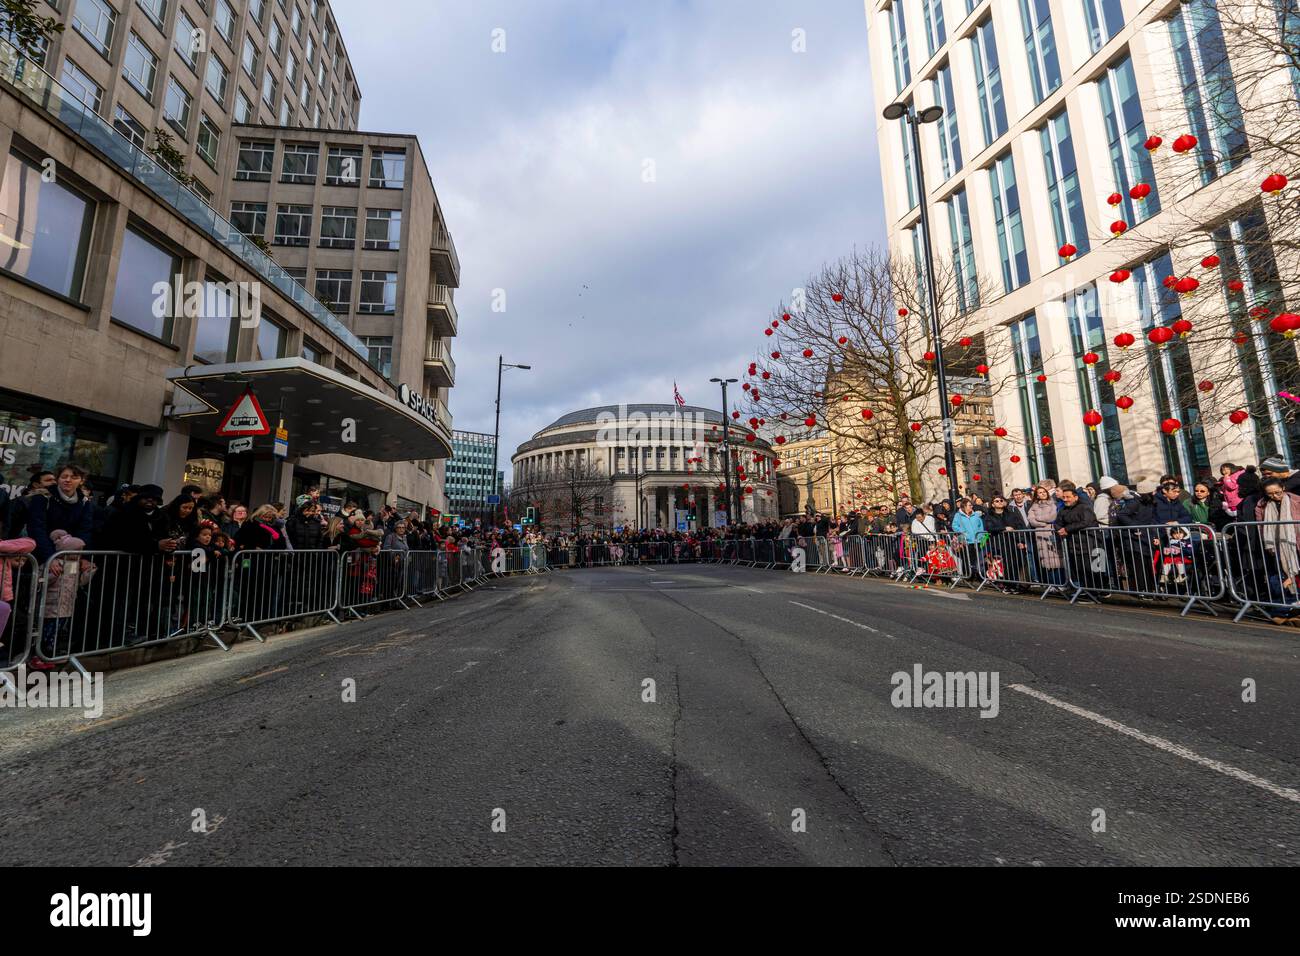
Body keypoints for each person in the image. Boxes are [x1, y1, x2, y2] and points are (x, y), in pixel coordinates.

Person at [26, 464, 95, 564]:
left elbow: (85, 531)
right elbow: (37, 529)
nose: (68, 480)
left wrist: (84, 557)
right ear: (58, 479)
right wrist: (50, 557)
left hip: (71, 557)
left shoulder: (85, 502)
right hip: (41, 556)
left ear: (82, 481)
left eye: (74, 477)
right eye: (64, 477)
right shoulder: (42, 498)